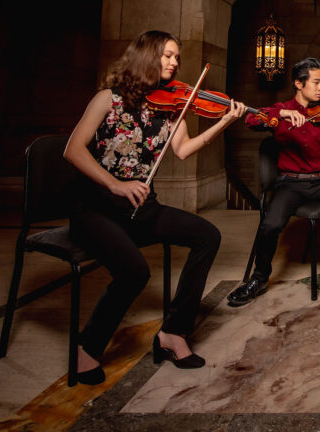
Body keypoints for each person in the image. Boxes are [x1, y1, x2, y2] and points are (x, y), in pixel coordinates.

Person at [64, 30, 247, 384]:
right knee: (135, 272)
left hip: (141, 209)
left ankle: (173, 333)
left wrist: (223, 122)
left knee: (207, 235)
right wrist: (115, 184)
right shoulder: (107, 99)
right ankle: (87, 348)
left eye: (177, 57)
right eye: (167, 55)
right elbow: (72, 150)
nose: (175, 62)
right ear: (146, 55)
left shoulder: (170, 107)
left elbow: (183, 150)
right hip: (95, 210)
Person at [226, 57, 320, 306]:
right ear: (299, 83)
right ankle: (259, 278)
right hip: (291, 183)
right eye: (316, 82)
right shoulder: (281, 110)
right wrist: (282, 114)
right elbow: (251, 119)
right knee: (271, 224)